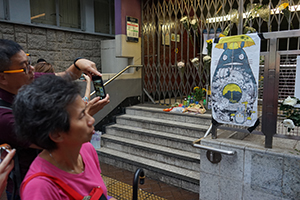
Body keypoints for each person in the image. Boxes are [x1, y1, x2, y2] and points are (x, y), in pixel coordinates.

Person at [0, 39, 110, 198]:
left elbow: (67, 75)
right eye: (24, 67)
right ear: (3, 78)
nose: (32, 69)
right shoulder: (3, 117)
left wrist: (78, 63)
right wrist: (84, 112)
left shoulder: (86, 150)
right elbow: (49, 136)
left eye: (29, 62)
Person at [13, 74, 116, 200]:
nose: (91, 120)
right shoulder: (40, 188)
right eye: (82, 115)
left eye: (86, 111)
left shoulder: (86, 149)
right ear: (57, 134)